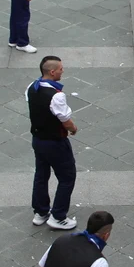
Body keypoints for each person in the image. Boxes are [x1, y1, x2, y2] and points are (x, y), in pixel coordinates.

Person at [29, 56, 79, 231]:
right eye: (60, 69)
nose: (62, 71)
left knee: (41, 175)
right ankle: (58, 216)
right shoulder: (56, 96)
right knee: (67, 177)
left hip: (38, 139)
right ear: (52, 72)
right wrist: (73, 128)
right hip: (55, 142)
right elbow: (65, 119)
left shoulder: (32, 87)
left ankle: (41, 212)